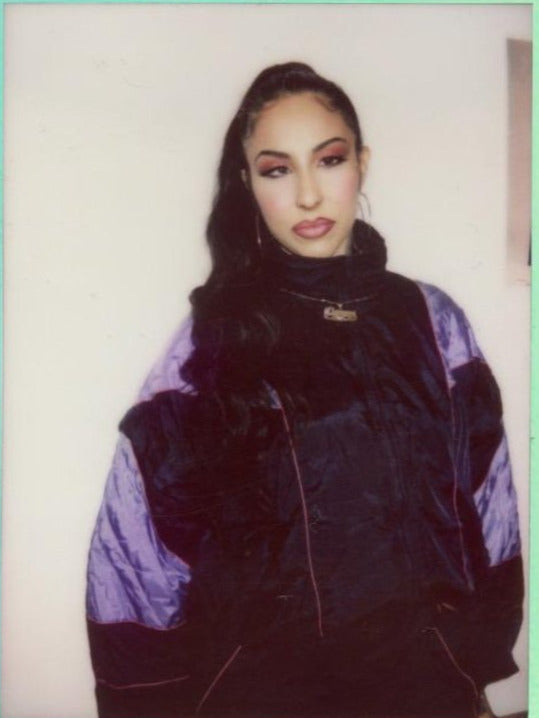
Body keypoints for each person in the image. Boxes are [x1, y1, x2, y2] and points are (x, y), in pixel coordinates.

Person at [86, 62, 524, 718]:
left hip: (424, 686)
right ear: (248, 184)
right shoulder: (213, 341)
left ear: (361, 164)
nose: (309, 196)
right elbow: (138, 547)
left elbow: (490, 505)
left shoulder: (434, 322)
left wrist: (476, 666)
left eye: (328, 160)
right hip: (266, 697)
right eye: (277, 170)